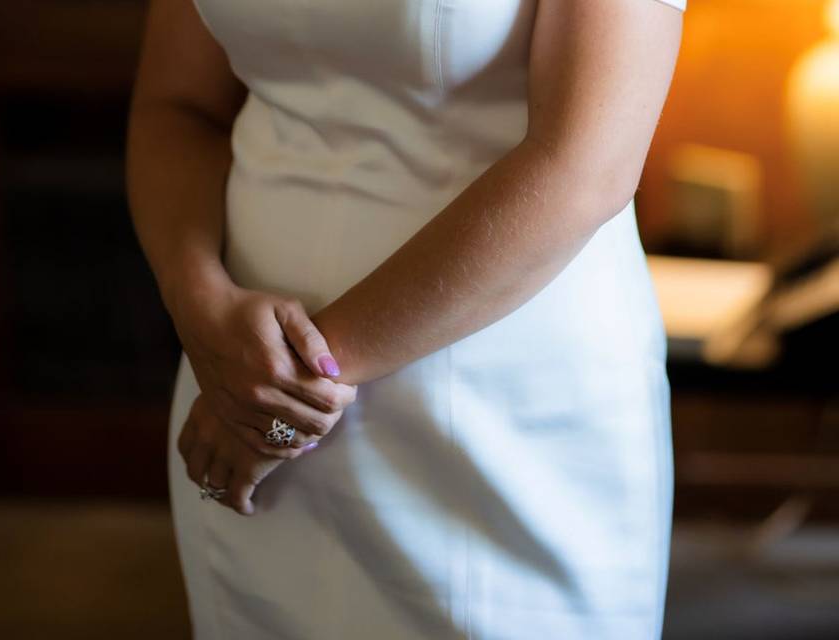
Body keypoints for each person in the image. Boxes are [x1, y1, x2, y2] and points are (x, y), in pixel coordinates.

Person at [126, 0, 687, 637]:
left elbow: (588, 163)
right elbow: (176, 106)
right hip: (236, 370)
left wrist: (294, 390)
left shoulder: (270, 400)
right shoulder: (238, 375)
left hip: (495, 398)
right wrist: (196, 299)